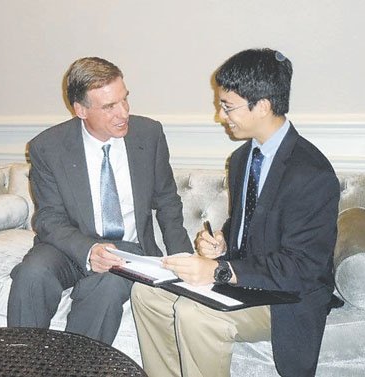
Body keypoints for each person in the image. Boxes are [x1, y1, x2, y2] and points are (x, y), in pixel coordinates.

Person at [131, 48, 341, 377]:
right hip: (246, 280)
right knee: (146, 294)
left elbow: (302, 266)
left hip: (287, 295)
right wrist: (222, 244)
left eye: (228, 106)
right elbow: (251, 223)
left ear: (264, 106)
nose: (220, 115)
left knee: (194, 314)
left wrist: (219, 270)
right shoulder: (243, 158)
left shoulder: (310, 173)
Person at [7, 57, 193, 345]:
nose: (123, 113)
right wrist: (89, 249)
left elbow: (168, 200)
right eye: (109, 107)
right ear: (80, 109)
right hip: (71, 245)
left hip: (128, 250)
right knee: (32, 274)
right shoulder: (48, 146)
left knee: (105, 288)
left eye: (124, 100)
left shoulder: (149, 134)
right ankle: (22, 362)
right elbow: (49, 218)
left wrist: (183, 259)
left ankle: (78, 367)